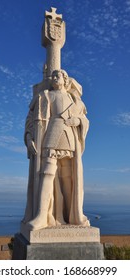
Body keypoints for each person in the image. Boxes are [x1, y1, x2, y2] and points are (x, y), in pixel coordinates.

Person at [23, 69, 90, 230]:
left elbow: (84, 119)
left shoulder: (74, 100)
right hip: (52, 132)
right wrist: (28, 137)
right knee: (47, 173)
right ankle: (41, 215)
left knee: (68, 176)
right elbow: (31, 120)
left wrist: (78, 121)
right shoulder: (44, 96)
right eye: (52, 76)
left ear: (65, 79)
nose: (54, 78)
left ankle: (71, 216)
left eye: (57, 75)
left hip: (69, 136)